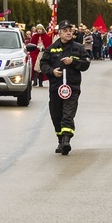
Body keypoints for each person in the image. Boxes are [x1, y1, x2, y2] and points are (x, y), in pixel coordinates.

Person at [39, 20, 91, 155]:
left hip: (72, 87)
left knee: (68, 114)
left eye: (70, 30)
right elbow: (43, 64)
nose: (68, 33)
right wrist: (52, 72)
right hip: (56, 88)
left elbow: (86, 63)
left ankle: (67, 141)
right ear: (60, 33)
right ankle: (60, 139)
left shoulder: (78, 48)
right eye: (65, 30)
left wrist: (73, 62)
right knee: (56, 115)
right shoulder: (52, 48)